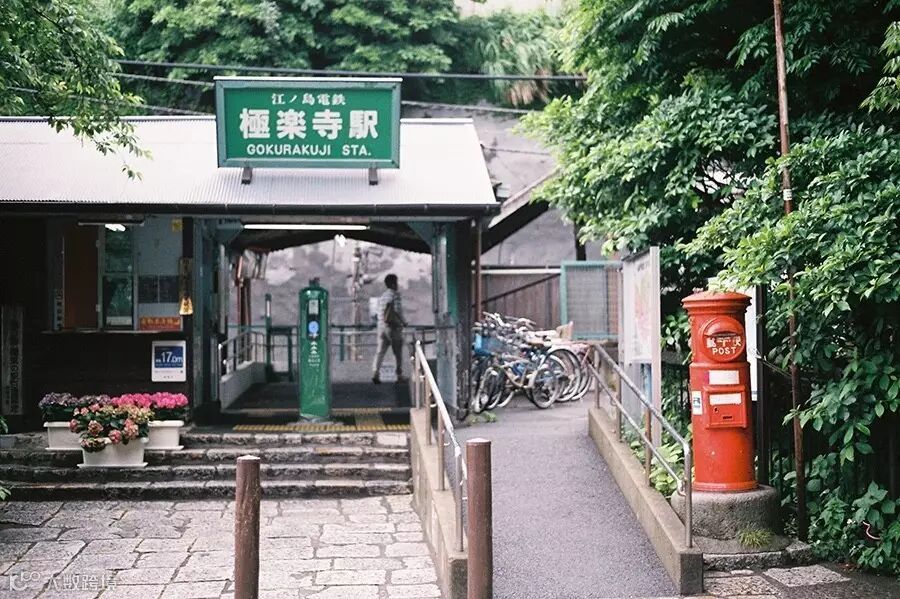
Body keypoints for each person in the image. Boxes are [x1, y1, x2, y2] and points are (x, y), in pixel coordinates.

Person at [372, 273, 407, 383]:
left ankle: (376, 373)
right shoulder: (395, 295)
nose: (397, 285)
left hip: (381, 327)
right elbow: (397, 310)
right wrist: (404, 322)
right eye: (396, 283)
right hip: (393, 328)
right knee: (397, 353)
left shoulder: (382, 297)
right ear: (393, 284)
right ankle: (399, 375)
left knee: (380, 352)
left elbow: (378, 313)